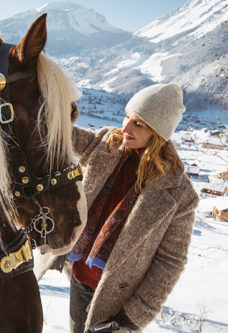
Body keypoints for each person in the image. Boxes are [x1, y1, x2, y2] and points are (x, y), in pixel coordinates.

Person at [67, 83, 199, 333]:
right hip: (79, 276)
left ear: (158, 133)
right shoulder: (107, 143)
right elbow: (63, 135)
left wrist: (131, 318)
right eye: (127, 116)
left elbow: (170, 261)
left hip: (116, 304)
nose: (125, 127)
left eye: (138, 123)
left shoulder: (180, 195)